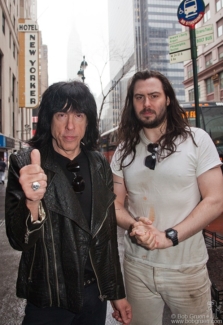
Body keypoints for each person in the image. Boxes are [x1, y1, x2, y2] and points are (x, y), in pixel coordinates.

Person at [5, 80, 132, 325]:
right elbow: (17, 240)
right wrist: (31, 202)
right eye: (61, 114)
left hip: (94, 297)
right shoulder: (26, 163)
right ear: (48, 119)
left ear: (88, 121)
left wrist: (116, 292)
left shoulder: (98, 164)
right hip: (48, 299)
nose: (70, 125)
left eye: (79, 115)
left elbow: (106, 237)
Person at [111, 70, 223, 324]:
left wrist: (168, 236)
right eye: (139, 97)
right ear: (132, 103)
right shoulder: (123, 150)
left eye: (154, 96)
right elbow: (115, 204)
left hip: (187, 269)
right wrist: (134, 225)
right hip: (137, 268)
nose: (147, 104)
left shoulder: (197, 140)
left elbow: (216, 199)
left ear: (168, 99)